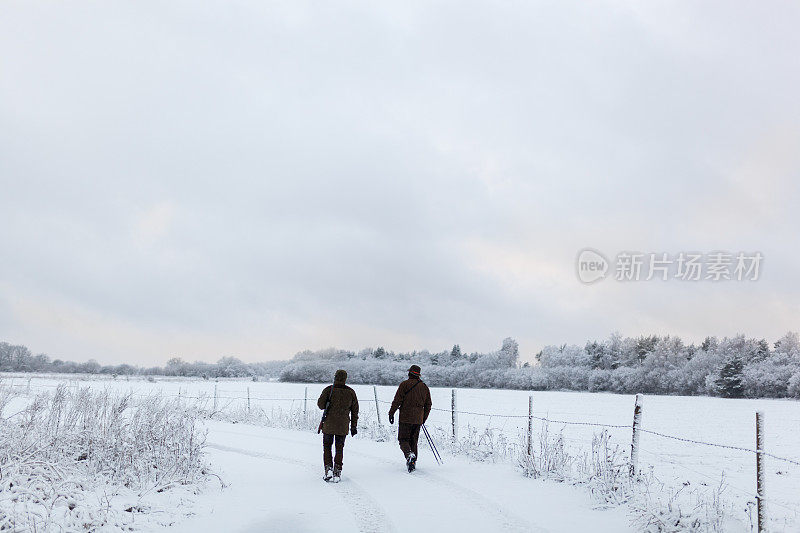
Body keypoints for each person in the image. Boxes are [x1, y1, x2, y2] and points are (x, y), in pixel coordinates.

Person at [317, 369, 359, 482]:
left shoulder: (328, 390)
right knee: (339, 449)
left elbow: (320, 405)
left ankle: (328, 469)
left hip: (329, 424)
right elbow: (355, 411)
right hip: (343, 425)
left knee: (327, 447)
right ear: (345, 378)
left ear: (335, 377)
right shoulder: (351, 392)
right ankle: (337, 472)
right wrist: (354, 426)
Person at [388, 365, 432, 472]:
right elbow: (428, 404)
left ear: (409, 373)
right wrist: (423, 418)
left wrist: (391, 413)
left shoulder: (404, 385)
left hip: (405, 418)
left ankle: (409, 455)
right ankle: (412, 463)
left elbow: (397, 400)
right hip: (418, 419)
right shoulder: (424, 387)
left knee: (403, 439)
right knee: (413, 441)